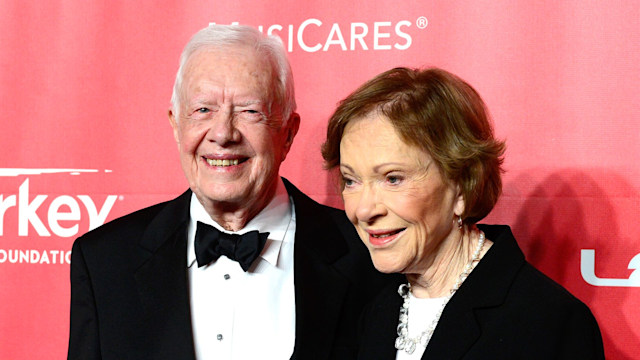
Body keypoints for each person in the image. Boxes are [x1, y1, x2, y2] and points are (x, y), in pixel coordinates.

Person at [68, 24, 394, 360]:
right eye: (203, 110)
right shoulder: (104, 263)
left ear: (288, 134)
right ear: (176, 126)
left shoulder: (369, 257)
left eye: (249, 111)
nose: (223, 134)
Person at [321, 67, 605, 359]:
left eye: (393, 179)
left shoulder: (548, 322)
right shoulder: (376, 313)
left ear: (462, 186)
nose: (364, 209)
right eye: (351, 180)